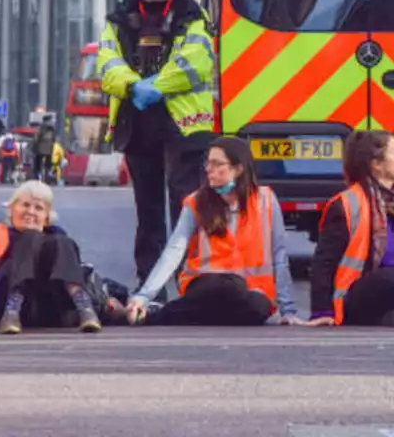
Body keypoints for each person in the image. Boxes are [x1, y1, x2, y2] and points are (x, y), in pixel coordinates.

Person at [96, 0, 215, 288]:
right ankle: (149, 284)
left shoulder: (192, 16)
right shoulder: (120, 18)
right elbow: (107, 64)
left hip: (183, 127)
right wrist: (134, 87)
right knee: (147, 213)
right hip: (138, 125)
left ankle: (190, 280)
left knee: (186, 207)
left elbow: (196, 62)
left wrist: (157, 87)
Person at [125, 137, 302, 326]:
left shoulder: (265, 199)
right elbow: (174, 252)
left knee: (251, 306)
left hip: (252, 291)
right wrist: (144, 296)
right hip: (206, 284)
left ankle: (157, 314)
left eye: (217, 164)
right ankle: (148, 312)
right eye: (208, 163)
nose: (209, 169)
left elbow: (279, 255)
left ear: (239, 169)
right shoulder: (196, 202)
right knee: (222, 290)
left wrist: (287, 310)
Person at [0, 181, 103, 334]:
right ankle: (12, 309)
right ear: (11, 209)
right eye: (25, 205)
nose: (30, 212)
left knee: (59, 240)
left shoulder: (59, 240)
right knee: (30, 237)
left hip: (48, 305)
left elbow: (80, 271)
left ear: (46, 217)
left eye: (38, 208)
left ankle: (83, 306)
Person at [309, 131, 394, 326]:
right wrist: (321, 311)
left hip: (386, 296)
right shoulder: (347, 204)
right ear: (376, 165)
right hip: (355, 292)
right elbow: (324, 263)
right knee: (389, 275)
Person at [33, 113, 57, 182]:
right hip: (49, 148)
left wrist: (35, 144)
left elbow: (37, 137)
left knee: (37, 161)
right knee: (48, 162)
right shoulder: (53, 127)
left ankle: (37, 174)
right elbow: (54, 138)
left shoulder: (42, 127)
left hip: (41, 147)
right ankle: (48, 174)